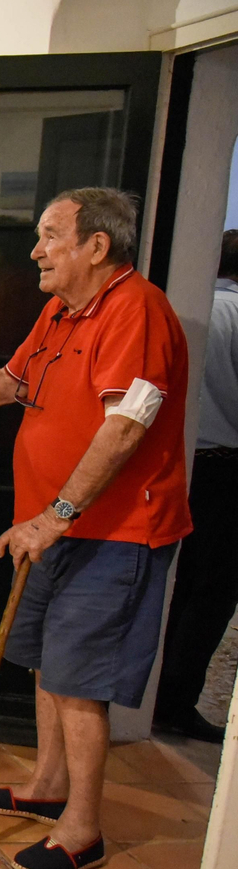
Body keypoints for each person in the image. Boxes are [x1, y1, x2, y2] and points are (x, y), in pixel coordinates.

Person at [0, 188, 191, 869]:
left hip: (112, 532)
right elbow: (9, 382)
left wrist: (55, 516)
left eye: (51, 234)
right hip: (51, 526)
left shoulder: (137, 310)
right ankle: (47, 784)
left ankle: (82, 828)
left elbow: (126, 426)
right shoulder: (62, 309)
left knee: (77, 677)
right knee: (46, 664)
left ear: (97, 245)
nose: (34, 249)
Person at [154, 229, 238, 743]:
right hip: (226, 467)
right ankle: (176, 701)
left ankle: (153, 694)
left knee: (177, 583)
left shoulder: (191, 314)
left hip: (181, 462)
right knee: (214, 592)